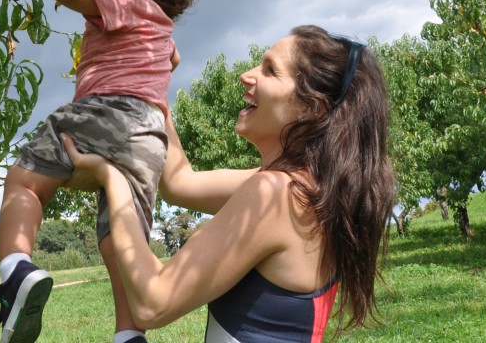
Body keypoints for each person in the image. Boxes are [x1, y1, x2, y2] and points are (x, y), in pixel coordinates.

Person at [64, 25, 395, 341]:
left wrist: (113, 178)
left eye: (269, 70)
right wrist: (153, 83)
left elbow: (153, 302)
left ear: (311, 109)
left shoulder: (276, 194)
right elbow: (179, 183)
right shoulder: (309, 189)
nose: (246, 75)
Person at [0, 0, 202, 343]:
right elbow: (170, 60)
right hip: (150, 137)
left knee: (24, 182)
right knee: (120, 238)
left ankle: (15, 271)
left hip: (107, 111)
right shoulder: (163, 33)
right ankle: (129, 334)